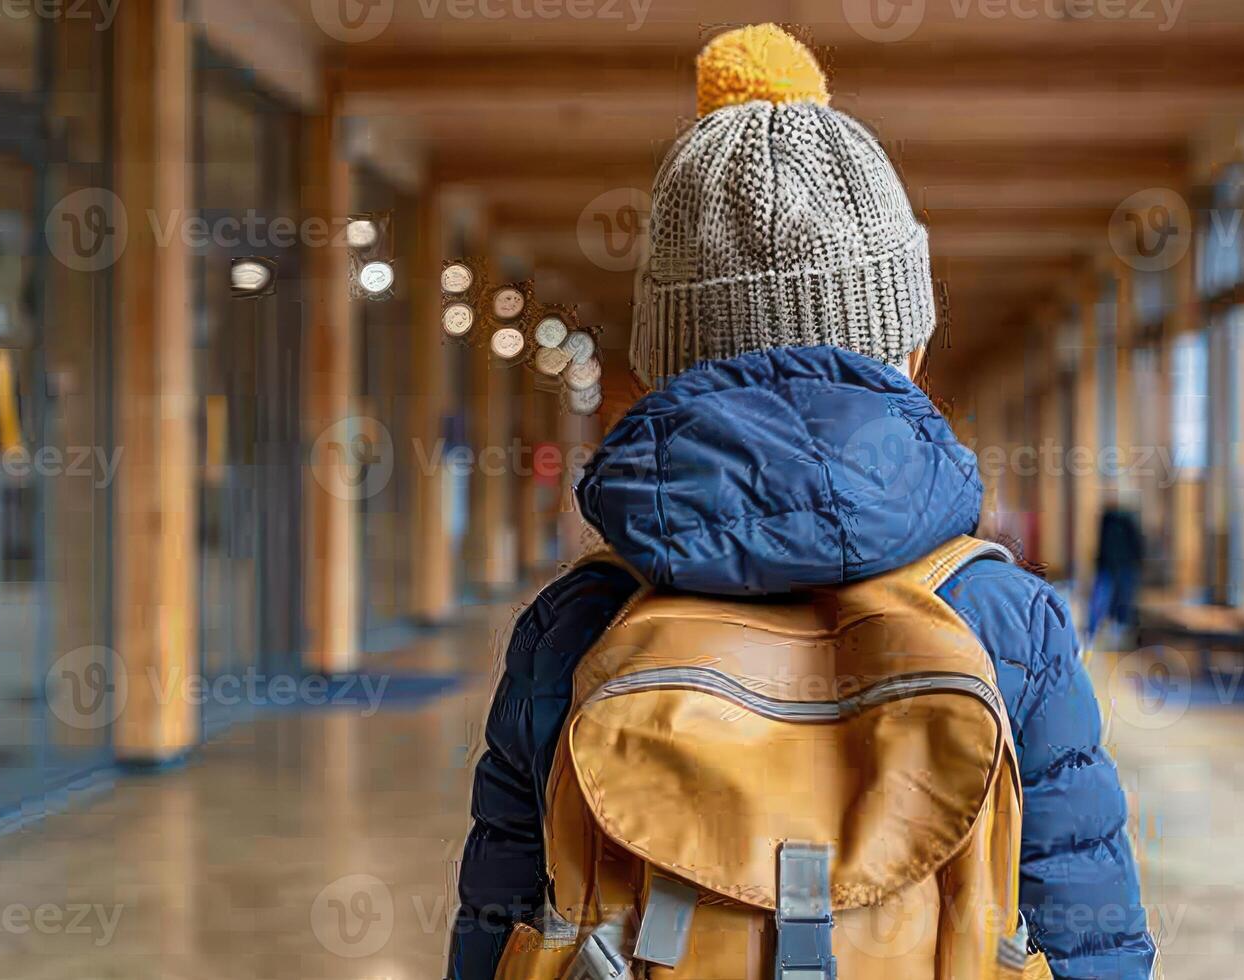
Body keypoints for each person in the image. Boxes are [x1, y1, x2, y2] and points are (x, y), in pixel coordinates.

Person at [448, 25, 1154, 980]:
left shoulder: (577, 625)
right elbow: (1091, 931)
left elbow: (500, 924)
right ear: (907, 353)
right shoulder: (1003, 616)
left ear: (666, 364)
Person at [1086, 504, 1147, 648]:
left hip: (1116, 566)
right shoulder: (1114, 522)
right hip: (1117, 566)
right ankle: (1105, 630)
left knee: (1109, 599)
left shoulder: (1113, 523)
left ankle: (1096, 631)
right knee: (1114, 599)